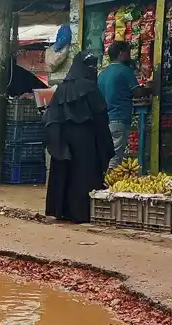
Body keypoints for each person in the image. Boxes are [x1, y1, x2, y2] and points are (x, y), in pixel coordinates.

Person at [42, 51, 113, 223]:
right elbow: (100, 114)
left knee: (66, 172)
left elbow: (50, 116)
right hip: (86, 139)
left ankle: (62, 210)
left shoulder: (61, 88)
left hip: (63, 138)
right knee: (84, 173)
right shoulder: (89, 87)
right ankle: (81, 212)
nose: (93, 70)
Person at [96, 41, 151, 169]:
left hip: (104, 120)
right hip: (119, 118)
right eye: (128, 52)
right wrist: (150, 88)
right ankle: (109, 185)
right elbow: (137, 92)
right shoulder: (125, 71)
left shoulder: (102, 74)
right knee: (115, 158)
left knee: (106, 154)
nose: (129, 56)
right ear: (121, 54)